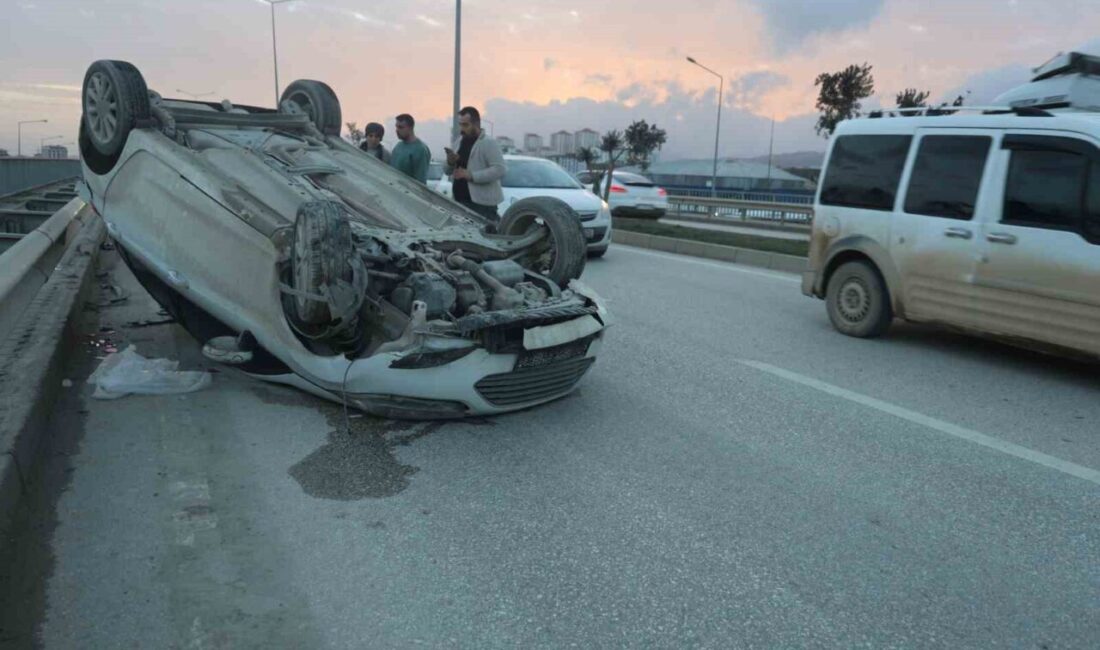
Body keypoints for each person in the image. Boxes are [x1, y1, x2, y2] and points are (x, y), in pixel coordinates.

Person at [443, 106, 506, 223]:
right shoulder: (459, 142)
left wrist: (471, 175)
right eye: (460, 124)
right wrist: (450, 161)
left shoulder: (488, 143)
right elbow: (447, 171)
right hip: (459, 202)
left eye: (465, 125)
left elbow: (499, 169)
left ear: (476, 124)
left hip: (482, 205)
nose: (462, 128)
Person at [389, 114, 431, 183]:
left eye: (401, 127)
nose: (397, 130)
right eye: (396, 127)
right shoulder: (398, 146)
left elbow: (421, 180)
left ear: (410, 128)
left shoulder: (420, 149)